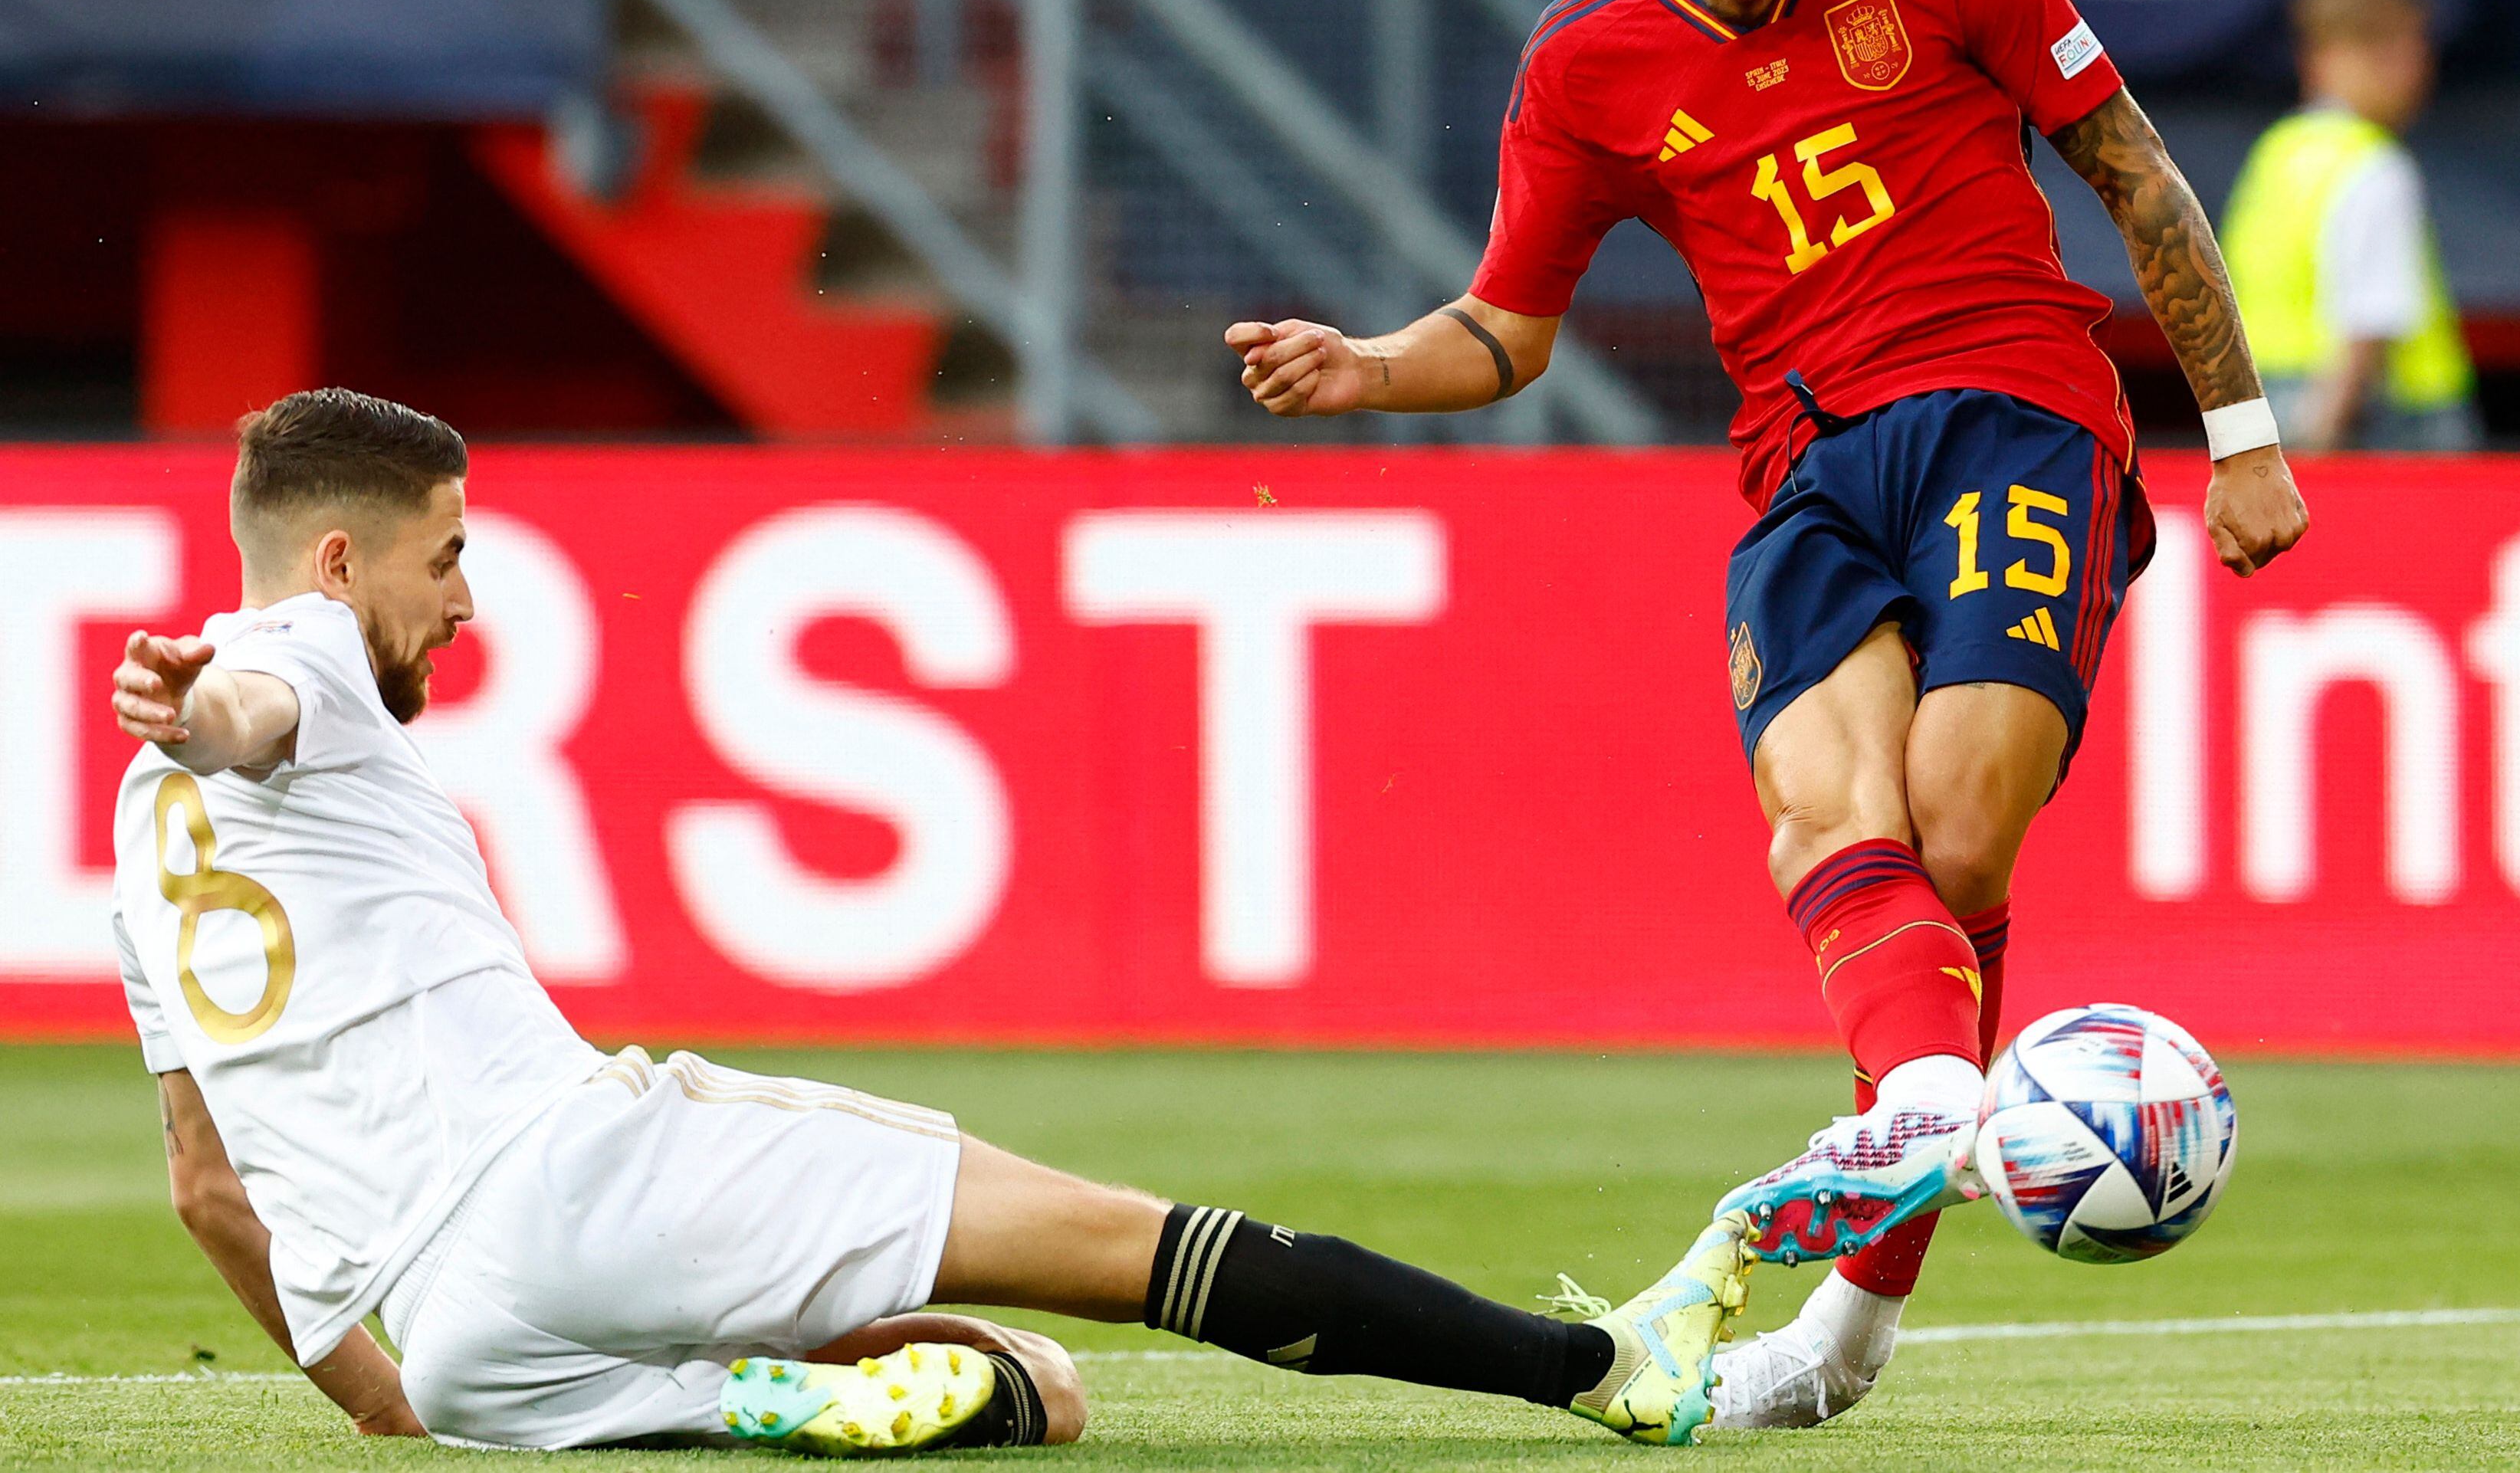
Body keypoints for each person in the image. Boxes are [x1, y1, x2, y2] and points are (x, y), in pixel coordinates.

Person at [1222, 0, 2307, 1430]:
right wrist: (1371, 363)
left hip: (2008, 404)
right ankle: (1907, 1175)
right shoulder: (1581, 64)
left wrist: (2239, 433)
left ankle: (1854, 1307)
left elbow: (2132, 170)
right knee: (1826, 817)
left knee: (1954, 830)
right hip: (1801, 467)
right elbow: (1507, 329)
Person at [107, 388, 1747, 1454]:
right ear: (336, 559)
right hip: (579, 1168)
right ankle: (1602, 1368)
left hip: (467, 1346)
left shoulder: (133, 844)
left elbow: (207, 1186)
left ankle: (775, 1394)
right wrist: (200, 706)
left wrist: (399, 1415)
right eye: (447, 555)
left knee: (1025, 1394)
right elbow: (252, 708)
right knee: (1115, 1254)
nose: (463, 599)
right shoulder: (300, 650)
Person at [2217, 0, 2480, 452]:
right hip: (2385, 421)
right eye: (2405, 52)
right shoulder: (2374, 167)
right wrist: (2322, 439)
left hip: (2264, 403)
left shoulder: (2276, 153)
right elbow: (2369, 321)